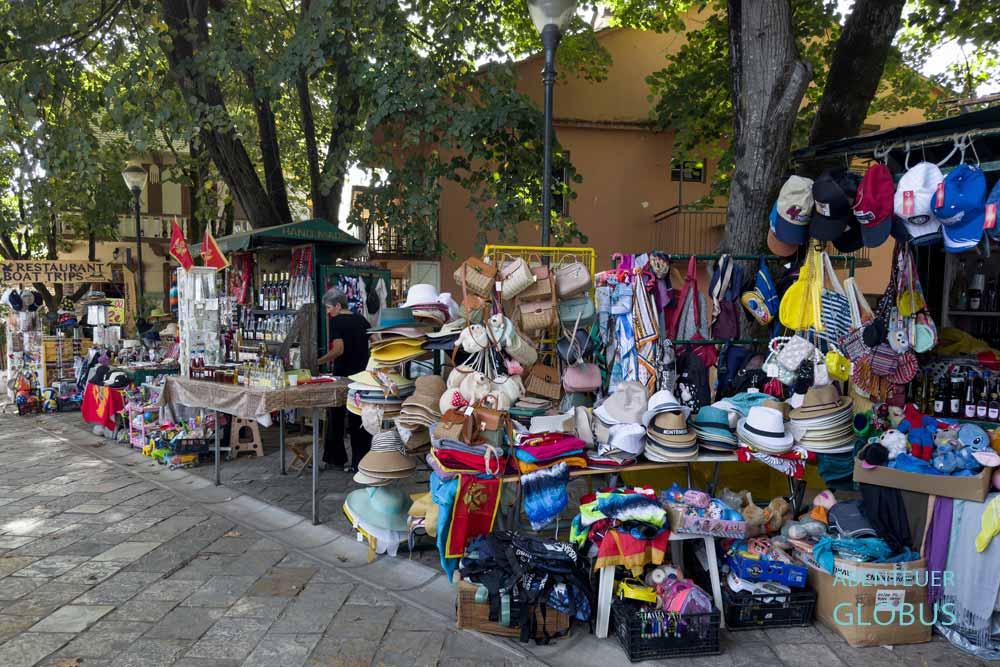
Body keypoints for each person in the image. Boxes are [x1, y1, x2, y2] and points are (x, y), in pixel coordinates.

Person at [317, 287, 372, 471]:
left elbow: (338, 349)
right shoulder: (362, 319)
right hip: (362, 376)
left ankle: (336, 459)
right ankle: (361, 462)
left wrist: (319, 361)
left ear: (338, 306)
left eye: (328, 308)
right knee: (358, 418)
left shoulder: (337, 322)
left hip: (343, 376)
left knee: (336, 417)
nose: (328, 312)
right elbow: (375, 340)